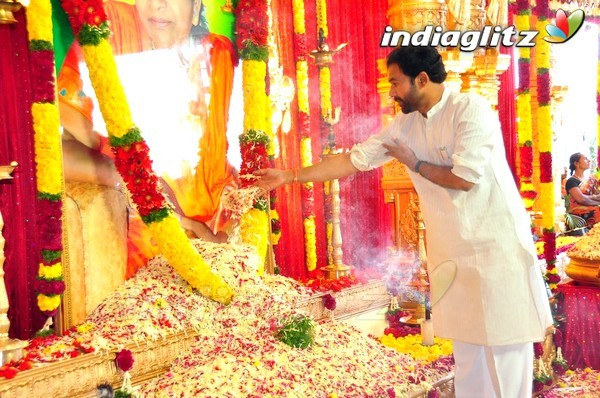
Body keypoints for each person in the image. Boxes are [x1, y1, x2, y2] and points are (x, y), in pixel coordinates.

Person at [255, 45, 553, 397]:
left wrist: (415, 163)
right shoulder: (404, 125)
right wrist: (289, 176)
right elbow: (352, 160)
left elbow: (465, 178)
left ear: (422, 79)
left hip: (495, 250)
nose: (392, 92)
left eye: (396, 83)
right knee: (469, 356)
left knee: (504, 352)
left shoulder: (469, 110)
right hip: (454, 255)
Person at [58, 0, 237, 277]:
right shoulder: (111, 34)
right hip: (140, 252)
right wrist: (136, 180)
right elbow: (62, 139)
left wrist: (211, 235)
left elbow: (240, 163)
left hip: (216, 248)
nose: (158, 5)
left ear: (196, 7)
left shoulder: (220, 56)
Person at [564, 152, 600, 225]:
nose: (589, 160)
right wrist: (596, 200)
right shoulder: (571, 181)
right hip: (578, 217)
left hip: (592, 209)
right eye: (585, 159)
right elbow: (581, 199)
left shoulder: (591, 180)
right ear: (576, 164)